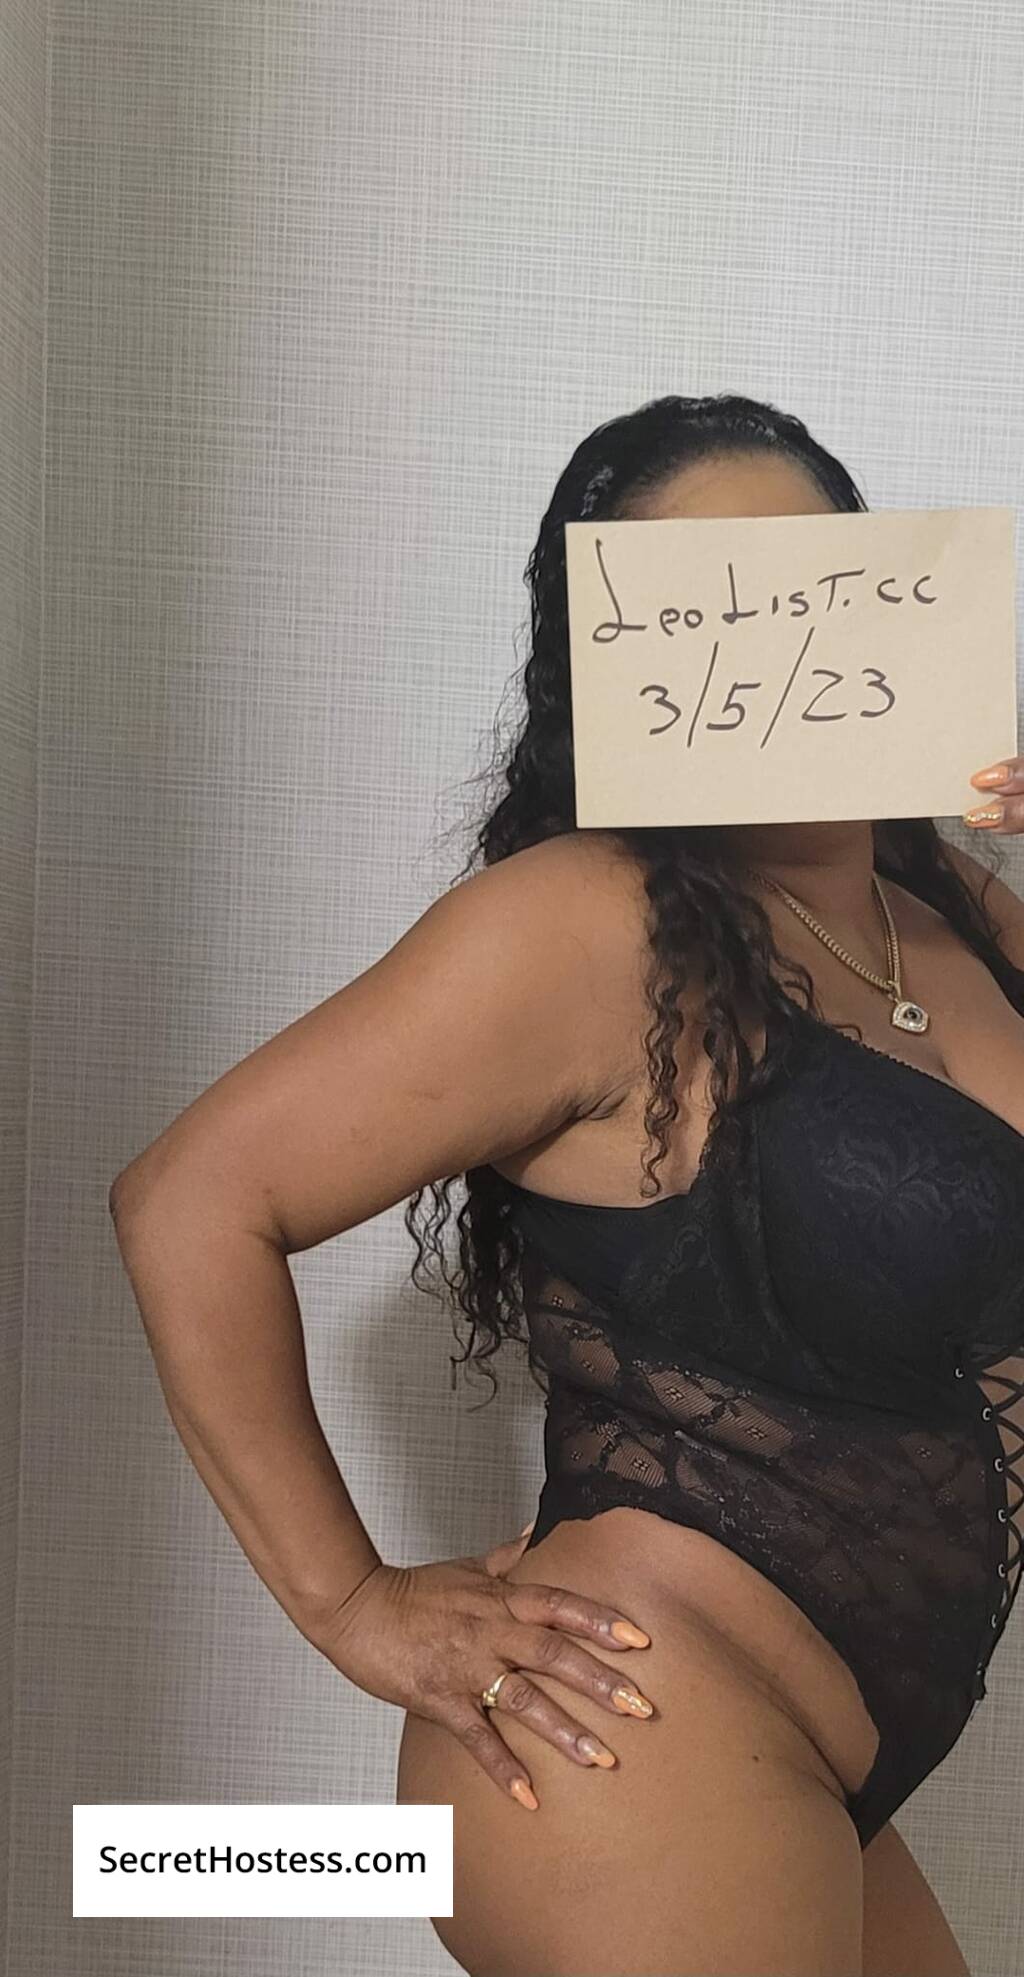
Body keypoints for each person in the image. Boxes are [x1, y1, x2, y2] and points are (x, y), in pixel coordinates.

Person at [109, 394, 1024, 1977]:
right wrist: (352, 1601)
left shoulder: (957, 910)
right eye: (709, 606)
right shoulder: (595, 924)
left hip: (821, 1769)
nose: (775, 640)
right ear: (623, 667)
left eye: (814, 579)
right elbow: (190, 1199)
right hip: (634, 1728)